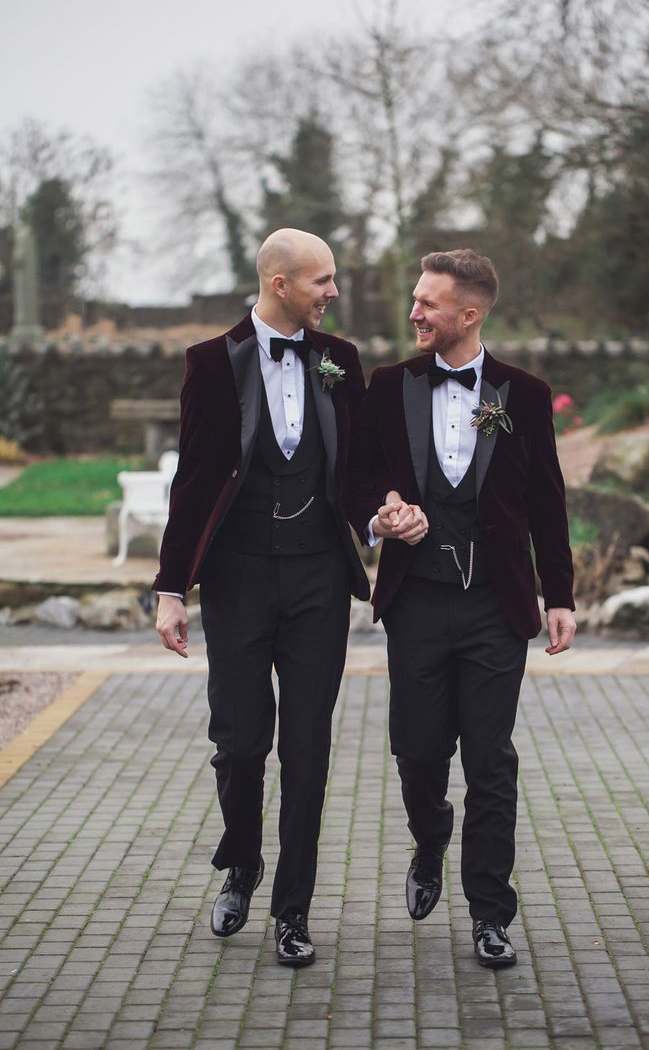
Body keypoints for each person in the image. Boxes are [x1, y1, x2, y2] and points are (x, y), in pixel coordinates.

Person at [348, 249, 575, 968]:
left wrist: (561, 593)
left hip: (495, 607)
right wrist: (383, 510)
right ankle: (429, 835)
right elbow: (358, 473)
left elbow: (547, 500)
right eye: (415, 299)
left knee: (490, 762)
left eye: (429, 303)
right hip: (415, 600)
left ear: (469, 315)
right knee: (417, 751)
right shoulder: (388, 385)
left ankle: (489, 914)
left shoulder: (523, 395)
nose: (414, 312)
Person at [154, 228, 369, 967]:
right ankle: (240, 860)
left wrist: (386, 514)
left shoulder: (341, 361)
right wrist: (170, 588)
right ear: (280, 283)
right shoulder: (210, 363)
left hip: (318, 578)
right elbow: (195, 479)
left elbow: (362, 469)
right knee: (241, 745)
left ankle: (292, 910)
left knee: (308, 750)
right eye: (322, 281)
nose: (331, 292)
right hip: (239, 577)